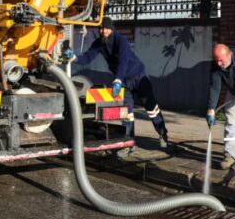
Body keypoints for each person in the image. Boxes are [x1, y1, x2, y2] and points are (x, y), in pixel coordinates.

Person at [65, 16, 174, 153]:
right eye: (101, 28)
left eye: (106, 28)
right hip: (123, 81)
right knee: (127, 113)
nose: (103, 31)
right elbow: (87, 57)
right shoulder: (99, 43)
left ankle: (163, 134)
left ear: (112, 29)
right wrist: (73, 57)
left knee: (152, 109)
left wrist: (117, 80)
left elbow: (123, 62)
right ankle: (129, 143)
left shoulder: (121, 40)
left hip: (138, 76)